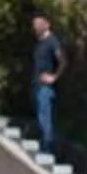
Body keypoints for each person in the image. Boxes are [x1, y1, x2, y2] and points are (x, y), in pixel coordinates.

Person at [32, 12, 66, 153]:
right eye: (34, 25)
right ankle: (44, 146)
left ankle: (47, 149)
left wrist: (54, 76)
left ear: (47, 24)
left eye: (39, 23)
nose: (36, 27)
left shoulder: (52, 41)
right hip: (38, 85)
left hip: (46, 87)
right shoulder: (40, 43)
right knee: (41, 117)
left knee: (45, 118)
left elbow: (62, 60)